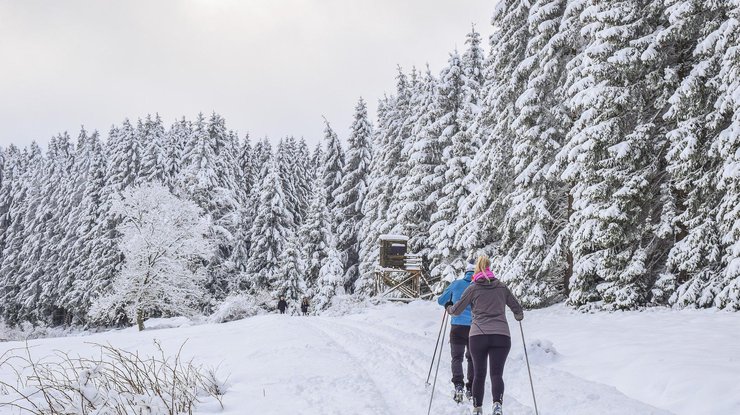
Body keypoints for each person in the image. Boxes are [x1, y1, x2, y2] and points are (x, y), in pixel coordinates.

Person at [445, 255, 523, 415]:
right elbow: (517, 309)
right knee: (496, 374)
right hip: (501, 336)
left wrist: (449, 308)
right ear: (489, 269)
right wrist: (518, 315)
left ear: (476, 271)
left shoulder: (473, 288)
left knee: (479, 373)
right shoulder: (501, 287)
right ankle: (497, 405)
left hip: (478, 336)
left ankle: (477, 408)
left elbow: (457, 310)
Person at [436, 259, 475, 402]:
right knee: (472, 358)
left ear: (466, 272)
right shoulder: (479, 286)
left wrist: (449, 303)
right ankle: (471, 388)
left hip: (457, 327)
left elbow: (441, 301)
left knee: (456, 358)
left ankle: (458, 385)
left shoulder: (456, 284)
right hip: (474, 328)